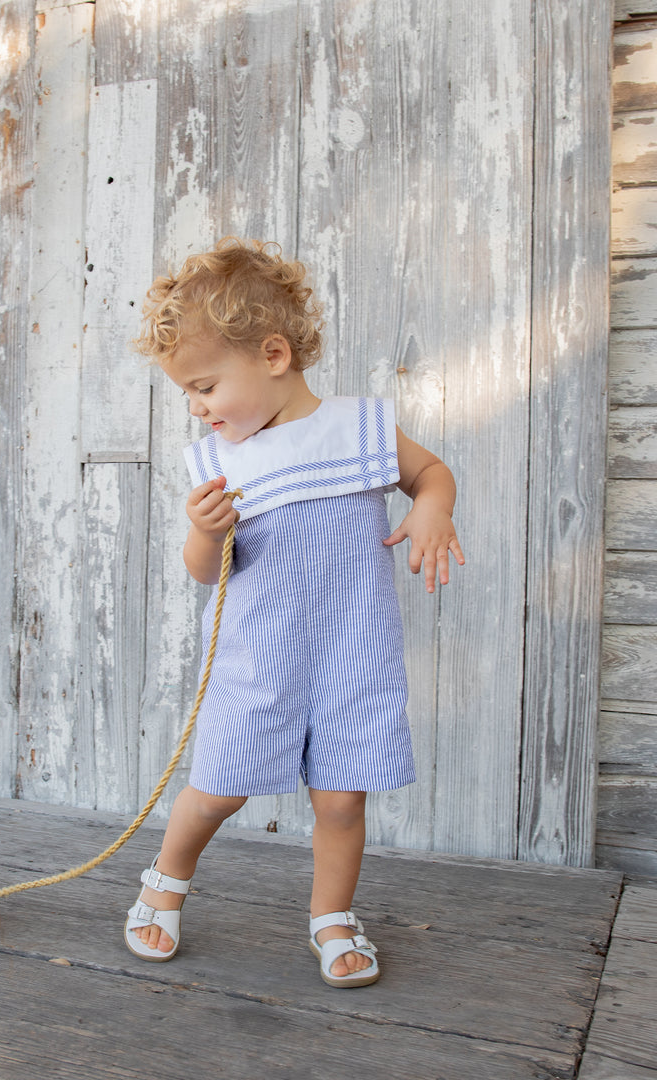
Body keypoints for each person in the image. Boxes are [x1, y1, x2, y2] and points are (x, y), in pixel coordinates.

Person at [126, 237, 463, 987]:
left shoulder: (358, 430)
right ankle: (165, 880)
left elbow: (430, 473)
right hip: (260, 661)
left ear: (273, 355)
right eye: (188, 393)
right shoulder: (222, 464)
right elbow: (203, 575)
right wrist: (205, 533)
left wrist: (434, 510)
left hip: (353, 656)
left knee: (341, 798)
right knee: (217, 788)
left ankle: (332, 917)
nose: (196, 406)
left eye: (205, 386)